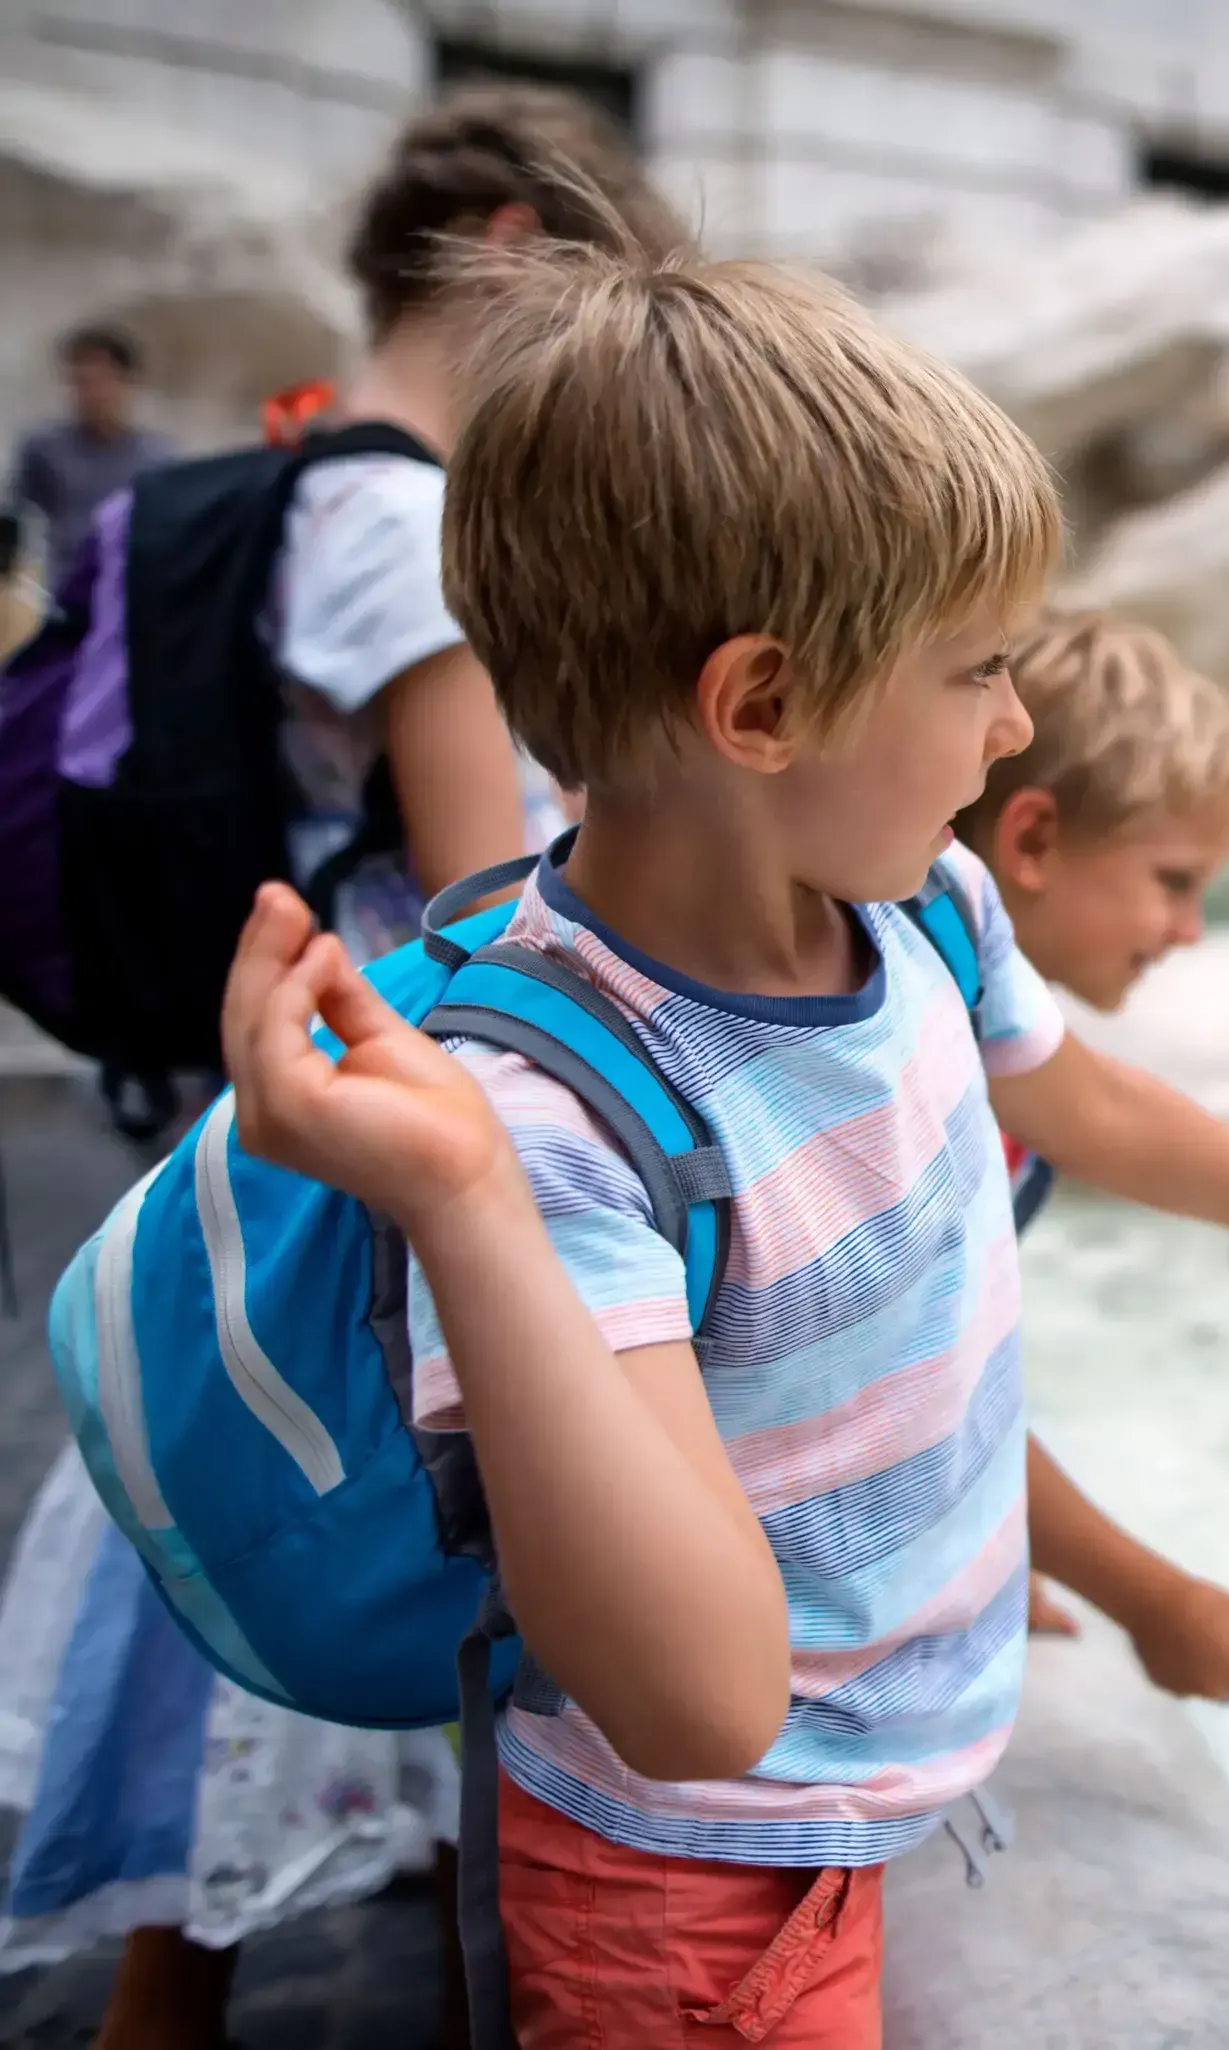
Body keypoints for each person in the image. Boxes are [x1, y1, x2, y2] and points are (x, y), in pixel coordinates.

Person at [215, 228, 1229, 2049]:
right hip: (698, 1894)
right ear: (769, 708)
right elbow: (700, 1705)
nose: (1018, 720)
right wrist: (464, 1211)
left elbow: (1077, 1098)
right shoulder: (548, 1124)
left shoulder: (923, 910)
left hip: (877, 1765)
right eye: (977, 671)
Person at [0, 83, 685, 2050]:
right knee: (406, 1499)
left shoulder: (318, 479)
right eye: (593, 289)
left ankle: (224, 1963)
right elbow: (490, 884)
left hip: (309, 1045)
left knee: (268, 1493)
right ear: (501, 245)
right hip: (408, 1061)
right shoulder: (402, 514)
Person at [961, 609, 1229, 1665]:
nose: (1189, 931)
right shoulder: (930, 1071)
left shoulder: (978, 1030)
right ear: (1034, 840)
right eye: (1173, 882)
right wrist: (1153, 1601)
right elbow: (927, 1395)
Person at [8, 325, 174, 591]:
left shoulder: (158, 459)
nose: (91, 395)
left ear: (127, 382)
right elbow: (19, 521)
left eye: (100, 382)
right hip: (59, 591)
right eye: (80, 382)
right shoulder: (45, 449)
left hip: (128, 592)